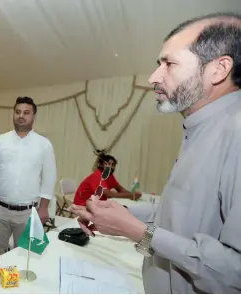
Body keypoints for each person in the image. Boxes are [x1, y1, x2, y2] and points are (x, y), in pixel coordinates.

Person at [71, 13, 241, 293]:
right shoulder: (200, 129)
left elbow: (234, 271)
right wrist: (116, 213)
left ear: (219, 69)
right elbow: (179, 216)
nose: (154, 77)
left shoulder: (234, 131)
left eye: (169, 64)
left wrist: (137, 231)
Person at [0, 96, 57, 255]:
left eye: (26, 112)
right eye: (18, 112)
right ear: (13, 114)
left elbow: (49, 178)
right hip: (0, 211)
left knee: (27, 257)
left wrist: (44, 208)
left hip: (29, 213)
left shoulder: (44, 144)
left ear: (33, 117)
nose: (21, 115)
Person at [73, 150, 142, 206]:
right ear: (101, 164)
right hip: (83, 204)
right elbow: (109, 194)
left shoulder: (109, 175)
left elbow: (120, 188)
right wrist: (131, 195)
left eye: (113, 165)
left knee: (123, 208)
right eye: (108, 164)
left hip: (96, 203)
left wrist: (133, 195)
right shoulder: (98, 175)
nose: (111, 167)